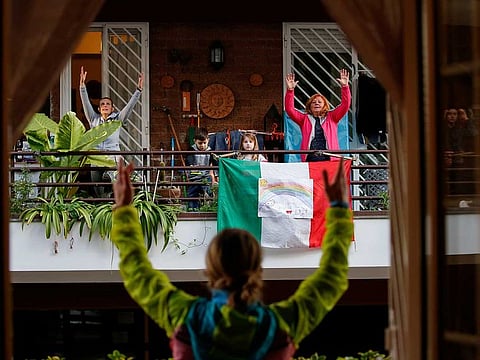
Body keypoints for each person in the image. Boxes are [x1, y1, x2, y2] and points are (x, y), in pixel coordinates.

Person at [111, 157, 353, 359]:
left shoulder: (186, 316)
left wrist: (123, 209)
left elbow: (136, 271)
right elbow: (331, 278)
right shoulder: (280, 325)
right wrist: (340, 209)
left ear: (210, 269)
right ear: (257, 269)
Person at [79, 66, 144, 197]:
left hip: (112, 159)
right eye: (102, 104)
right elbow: (86, 104)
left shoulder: (117, 119)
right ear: (98, 109)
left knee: (112, 186)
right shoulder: (94, 120)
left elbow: (129, 107)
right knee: (96, 188)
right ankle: (101, 209)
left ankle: (112, 204)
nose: (105, 106)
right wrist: (82, 86)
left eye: (108, 104)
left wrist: (139, 90)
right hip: (96, 159)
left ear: (113, 108)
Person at [284, 69, 351, 162]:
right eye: (313, 102)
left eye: (319, 102)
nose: (316, 103)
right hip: (310, 157)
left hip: (329, 157)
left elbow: (345, 105)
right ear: (309, 106)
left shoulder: (332, 117)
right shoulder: (304, 119)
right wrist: (290, 90)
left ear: (324, 105)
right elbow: (289, 109)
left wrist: (345, 87)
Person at [185, 127, 217, 210]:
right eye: (200, 143)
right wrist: (192, 166)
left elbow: (215, 163)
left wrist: (216, 176)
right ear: (195, 141)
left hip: (205, 177)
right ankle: (192, 209)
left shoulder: (210, 152)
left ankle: (208, 208)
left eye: (204, 143)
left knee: (209, 193)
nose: (202, 145)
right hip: (194, 178)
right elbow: (189, 162)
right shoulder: (191, 150)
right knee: (192, 195)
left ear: (208, 140)